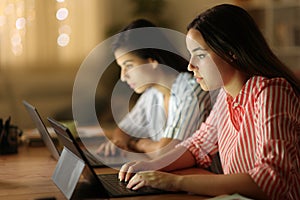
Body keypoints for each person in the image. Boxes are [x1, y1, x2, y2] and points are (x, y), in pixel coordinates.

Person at [118, 4, 300, 200]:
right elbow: (198, 146)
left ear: (231, 52)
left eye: (201, 55)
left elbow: (272, 179)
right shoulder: (225, 95)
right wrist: (152, 166)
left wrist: (175, 182)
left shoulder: (270, 91)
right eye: (191, 55)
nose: (191, 65)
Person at [97, 19, 214, 159]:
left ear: (152, 61)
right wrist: (119, 143)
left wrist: (137, 144)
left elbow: (165, 152)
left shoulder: (191, 91)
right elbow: (123, 131)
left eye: (128, 66)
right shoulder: (152, 93)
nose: (123, 77)